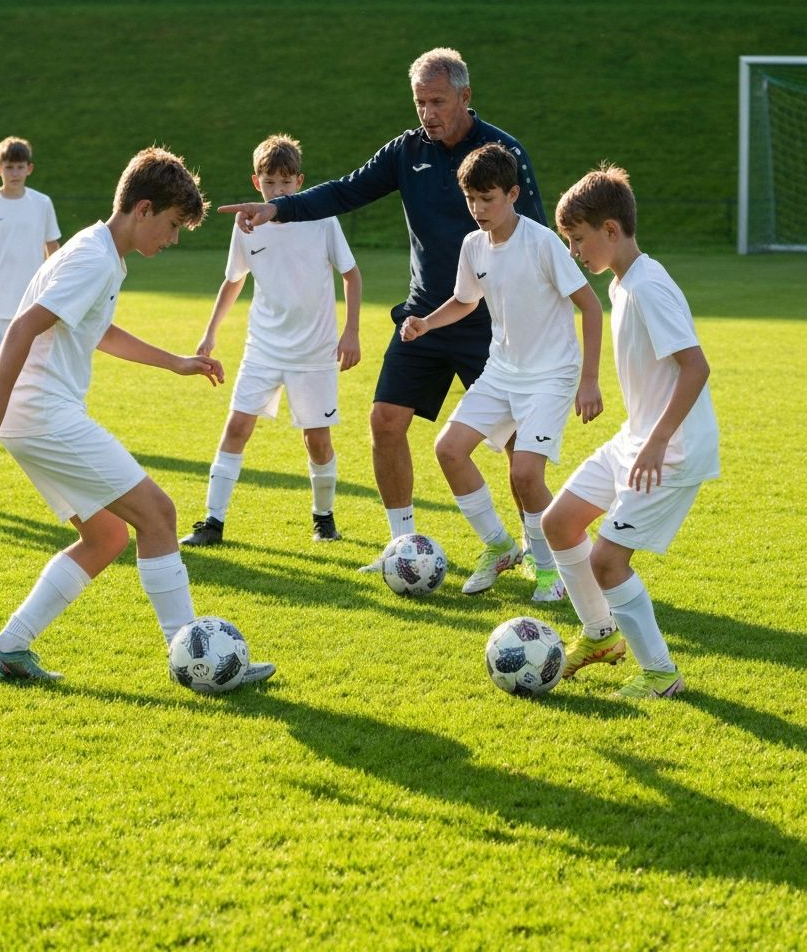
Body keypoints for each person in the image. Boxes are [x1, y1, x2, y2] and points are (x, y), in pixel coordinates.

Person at [0, 146, 275, 686]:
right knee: (159, 513)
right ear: (143, 209)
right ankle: (193, 661)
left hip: (35, 415)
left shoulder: (100, 251)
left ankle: (7, 649)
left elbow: (94, 329)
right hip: (42, 414)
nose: (171, 240)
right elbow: (19, 328)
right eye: (172, 226)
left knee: (105, 538)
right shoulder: (94, 258)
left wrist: (173, 361)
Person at [219, 47, 546, 571]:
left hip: (490, 324)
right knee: (386, 421)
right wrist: (277, 208)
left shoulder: (502, 154)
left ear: (465, 97)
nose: (428, 113)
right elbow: (346, 191)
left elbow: (536, 239)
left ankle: (536, 549)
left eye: (438, 101)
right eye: (420, 102)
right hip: (424, 318)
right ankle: (403, 548)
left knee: (513, 442)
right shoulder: (405, 152)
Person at [542, 164, 719, 698]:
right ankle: (600, 636)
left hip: (671, 450)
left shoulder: (647, 289)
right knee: (559, 523)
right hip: (637, 439)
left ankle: (661, 675)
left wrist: (660, 440)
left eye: (578, 240)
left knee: (607, 560)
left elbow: (696, 366)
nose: (575, 252)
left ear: (611, 231)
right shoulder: (623, 284)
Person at [401, 143, 603, 600]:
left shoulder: (543, 243)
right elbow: (465, 299)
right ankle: (499, 547)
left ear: (513, 194)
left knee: (526, 475)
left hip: (552, 376)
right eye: (471, 199)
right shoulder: (473, 245)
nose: (477, 209)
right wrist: (426, 323)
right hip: (502, 371)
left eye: (487, 199)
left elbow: (591, 307)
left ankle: (551, 572)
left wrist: (589, 381)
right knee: (449, 449)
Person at [181, 134, 362, 548]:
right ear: (255, 181)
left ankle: (323, 517)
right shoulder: (245, 224)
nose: (276, 190)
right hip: (263, 346)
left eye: (285, 182)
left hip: (315, 350)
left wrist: (351, 331)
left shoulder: (322, 218)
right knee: (237, 426)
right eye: (268, 183)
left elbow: (351, 275)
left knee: (317, 439)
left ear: (300, 181)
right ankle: (212, 521)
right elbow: (233, 281)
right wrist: (210, 333)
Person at [0, 136, 61, 378]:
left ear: (29, 168)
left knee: (34, 367)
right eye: (9, 167)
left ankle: (27, 416)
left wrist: (58, 290)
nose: (14, 173)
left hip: (33, 299)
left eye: (19, 167)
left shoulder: (42, 203)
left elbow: (53, 248)